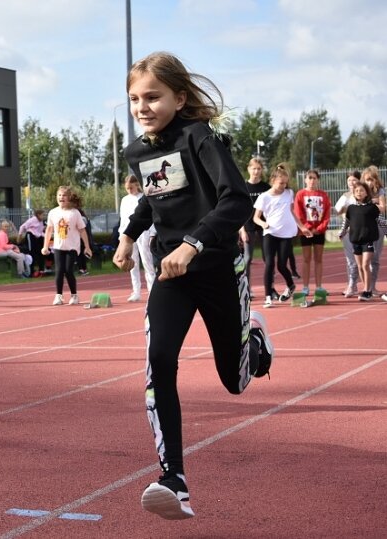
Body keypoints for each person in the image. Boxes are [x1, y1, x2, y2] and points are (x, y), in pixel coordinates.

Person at [112, 51, 274, 520]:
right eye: (134, 99)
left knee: (235, 380)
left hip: (218, 267)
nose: (142, 106)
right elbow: (155, 200)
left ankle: (256, 342)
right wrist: (127, 236)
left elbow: (237, 201)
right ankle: (173, 479)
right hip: (171, 274)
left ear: (179, 97)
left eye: (152, 96)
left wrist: (194, 244)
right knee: (158, 360)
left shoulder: (198, 137)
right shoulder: (140, 151)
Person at [253, 164, 313, 308]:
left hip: (286, 234)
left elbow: (292, 212)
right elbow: (256, 217)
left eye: (285, 183)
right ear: (273, 180)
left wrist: (302, 227)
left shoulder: (289, 193)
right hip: (270, 233)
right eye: (281, 183)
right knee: (269, 264)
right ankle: (268, 297)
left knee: (281, 265)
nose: (283, 186)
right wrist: (263, 224)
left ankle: (290, 285)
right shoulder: (264, 197)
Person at [42, 185, 92, 305]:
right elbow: (49, 230)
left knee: (68, 270)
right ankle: (58, 296)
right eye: (59, 195)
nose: (61, 197)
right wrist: (45, 246)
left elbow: (82, 230)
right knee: (59, 271)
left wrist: (87, 247)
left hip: (72, 247)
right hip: (58, 247)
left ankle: (74, 295)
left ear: (69, 197)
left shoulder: (75, 213)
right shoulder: (53, 212)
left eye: (64, 195)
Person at [339, 181, 380, 301]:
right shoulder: (351, 208)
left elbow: (381, 221)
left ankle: (367, 291)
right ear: (354, 193)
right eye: (356, 191)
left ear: (366, 192)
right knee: (360, 266)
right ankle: (366, 289)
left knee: (365, 264)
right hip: (355, 240)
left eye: (361, 190)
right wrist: (342, 232)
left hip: (368, 240)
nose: (359, 193)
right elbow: (346, 222)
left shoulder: (372, 208)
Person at [119, 174, 156, 302]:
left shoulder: (143, 197)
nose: (129, 190)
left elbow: (149, 217)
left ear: (137, 185)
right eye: (127, 188)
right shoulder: (124, 200)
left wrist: (152, 233)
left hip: (144, 233)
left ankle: (152, 290)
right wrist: (121, 237)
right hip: (129, 233)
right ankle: (136, 291)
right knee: (132, 262)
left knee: (147, 262)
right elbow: (123, 220)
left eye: (131, 188)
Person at [293, 169, 331, 296]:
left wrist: (319, 229)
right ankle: (305, 286)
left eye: (314, 178)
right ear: (305, 179)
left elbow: (326, 214)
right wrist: (308, 228)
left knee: (318, 259)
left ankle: (319, 286)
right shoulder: (300, 194)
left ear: (318, 180)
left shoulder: (323, 195)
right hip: (306, 232)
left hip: (319, 232)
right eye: (309, 178)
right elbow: (298, 213)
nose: (312, 180)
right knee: (306, 259)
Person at [239, 157, 270, 299]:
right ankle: (247, 289)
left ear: (261, 170)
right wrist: (242, 230)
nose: (256, 171)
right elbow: (237, 210)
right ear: (248, 169)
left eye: (258, 169)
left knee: (268, 258)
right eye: (253, 168)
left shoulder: (266, 188)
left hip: (265, 226)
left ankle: (270, 289)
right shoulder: (243, 187)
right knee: (247, 258)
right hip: (248, 226)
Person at [334, 171, 361, 297]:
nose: (351, 182)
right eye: (349, 180)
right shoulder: (345, 196)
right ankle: (352, 285)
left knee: (365, 260)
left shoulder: (363, 195)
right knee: (351, 260)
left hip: (362, 232)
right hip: (348, 231)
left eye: (354, 180)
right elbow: (336, 211)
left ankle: (368, 286)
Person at [361, 166, 385, 294]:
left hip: (378, 226)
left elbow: (383, 208)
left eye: (371, 179)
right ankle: (366, 286)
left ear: (375, 180)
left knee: (375, 258)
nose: (369, 182)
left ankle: (372, 286)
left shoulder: (380, 191)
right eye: (367, 180)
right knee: (364, 259)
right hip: (364, 228)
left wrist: (373, 202)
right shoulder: (360, 191)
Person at [70, 193, 94, 276]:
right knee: (79, 254)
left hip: (80, 238)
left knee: (80, 254)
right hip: (77, 238)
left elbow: (83, 228)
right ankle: (82, 268)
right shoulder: (74, 213)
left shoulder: (80, 215)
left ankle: (82, 269)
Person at [18, 209, 47, 277]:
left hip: (38, 237)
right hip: (31, 236)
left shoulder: (41, 221)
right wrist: (19, 236)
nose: (43, 216)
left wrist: (47, 235)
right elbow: (22, 227)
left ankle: (41, 270)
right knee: (32, 253)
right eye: (42, 215)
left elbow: (39, 232)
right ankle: (31, 271)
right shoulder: (32, 220)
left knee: (41, 252)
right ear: (38, 215)